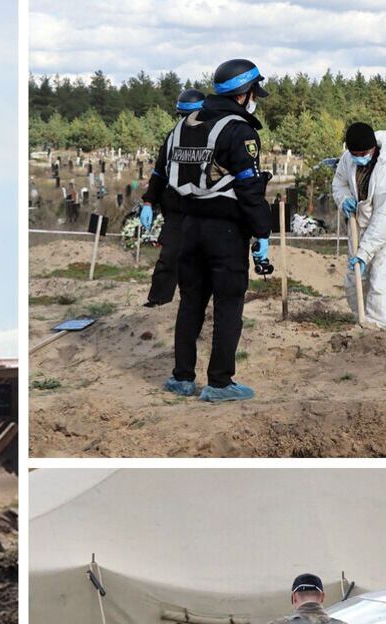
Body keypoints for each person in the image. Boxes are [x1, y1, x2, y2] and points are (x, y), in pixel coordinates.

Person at [150, 59, 274, 402]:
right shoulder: (239, 130)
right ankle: (219, 382)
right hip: (226, 232)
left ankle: (182, 378)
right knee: (228, 305)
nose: (254, 100)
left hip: (187, 227)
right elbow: (250, 189)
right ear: (244, 94)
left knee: (190, 302)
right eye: (253, 94)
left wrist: (151, 205)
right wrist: (262, 233)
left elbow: (161, 175)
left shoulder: (181, 127)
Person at [330, 121, 386, 332]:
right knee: (354, 281)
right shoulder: (348, 159)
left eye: (362, 153)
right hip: (359, 225)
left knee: (380, 282)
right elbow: (339, 183)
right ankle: (363, 325)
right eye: (353, 153)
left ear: (373, 148)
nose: (358, 157)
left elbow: (382, 220)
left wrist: (364, 252)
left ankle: (382, 332)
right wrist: (344, 199)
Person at [142, 88, 208, 307]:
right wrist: (148, 202)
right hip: (177, 207)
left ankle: (201, 303)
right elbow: (160, 171)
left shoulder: (214, 136)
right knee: (169, 256)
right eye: (182, 115)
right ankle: (159, 299)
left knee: (205, 261)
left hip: (206, 207)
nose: (186, 120)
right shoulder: (173, 137)